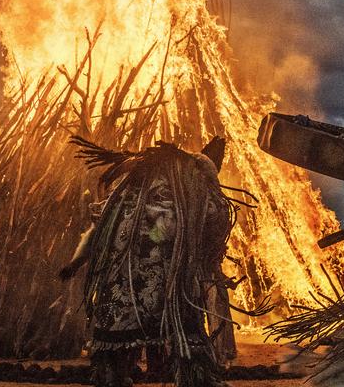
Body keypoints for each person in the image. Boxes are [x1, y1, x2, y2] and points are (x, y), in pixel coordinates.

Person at [60, 137, 234, 387]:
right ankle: (195, 378)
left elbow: (99, 230)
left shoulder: (128, 198)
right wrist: (152, 240)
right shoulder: (181, 192)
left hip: (121, 282)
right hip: (166, 284)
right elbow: (208, 216)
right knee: (185, 327)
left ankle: (112, 374)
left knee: (116, 329)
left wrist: (77, 262)